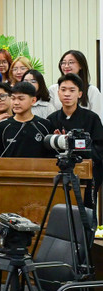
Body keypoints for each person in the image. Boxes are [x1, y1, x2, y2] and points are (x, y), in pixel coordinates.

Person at [47, 73, 103, 207]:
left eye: (72, 90)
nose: (67, 94)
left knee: (86, 212)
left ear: (80, 94)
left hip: (86, 174)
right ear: (58, 92)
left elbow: (99, 149)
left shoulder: (91, 118)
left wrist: (76, 144)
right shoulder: (51, 119)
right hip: (59, 173)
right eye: (63, 90)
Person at [0, 82, 54, 158]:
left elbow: (52, 156)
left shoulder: (45, 125)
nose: (16, 103)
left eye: (21, 99)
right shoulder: (2, 126)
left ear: (33, 101)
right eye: (13, 98)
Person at [48, 50, 102, 117]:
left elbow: (98, 117)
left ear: (81, 65)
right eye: (63, 63)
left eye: (71, 62)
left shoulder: (92, 91)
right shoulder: (53, 89)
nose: (66, 66)